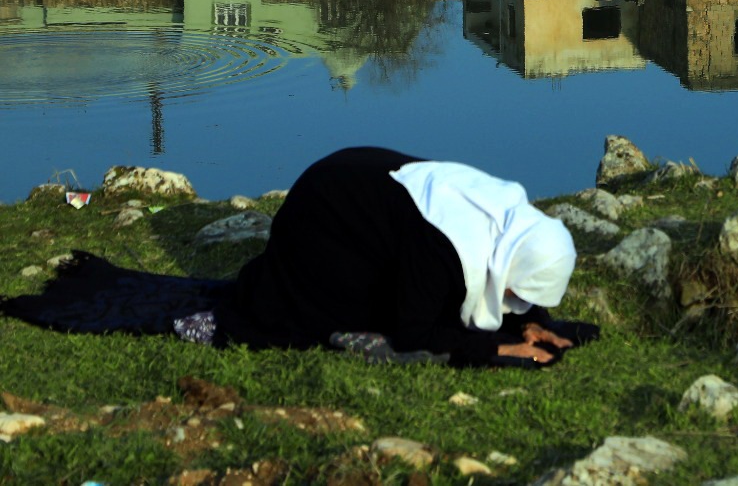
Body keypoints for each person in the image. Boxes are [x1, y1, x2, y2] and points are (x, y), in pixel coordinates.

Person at [2, 148, 591, 368]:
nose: (515, 303)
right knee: (359, 318)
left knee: (422, 302)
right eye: (517, 293)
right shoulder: (443, 245)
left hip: (357, 192)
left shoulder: (505, 215)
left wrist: (527, 322)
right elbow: (415, 330)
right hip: (322, 224)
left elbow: (485, 289)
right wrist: (497, 344)